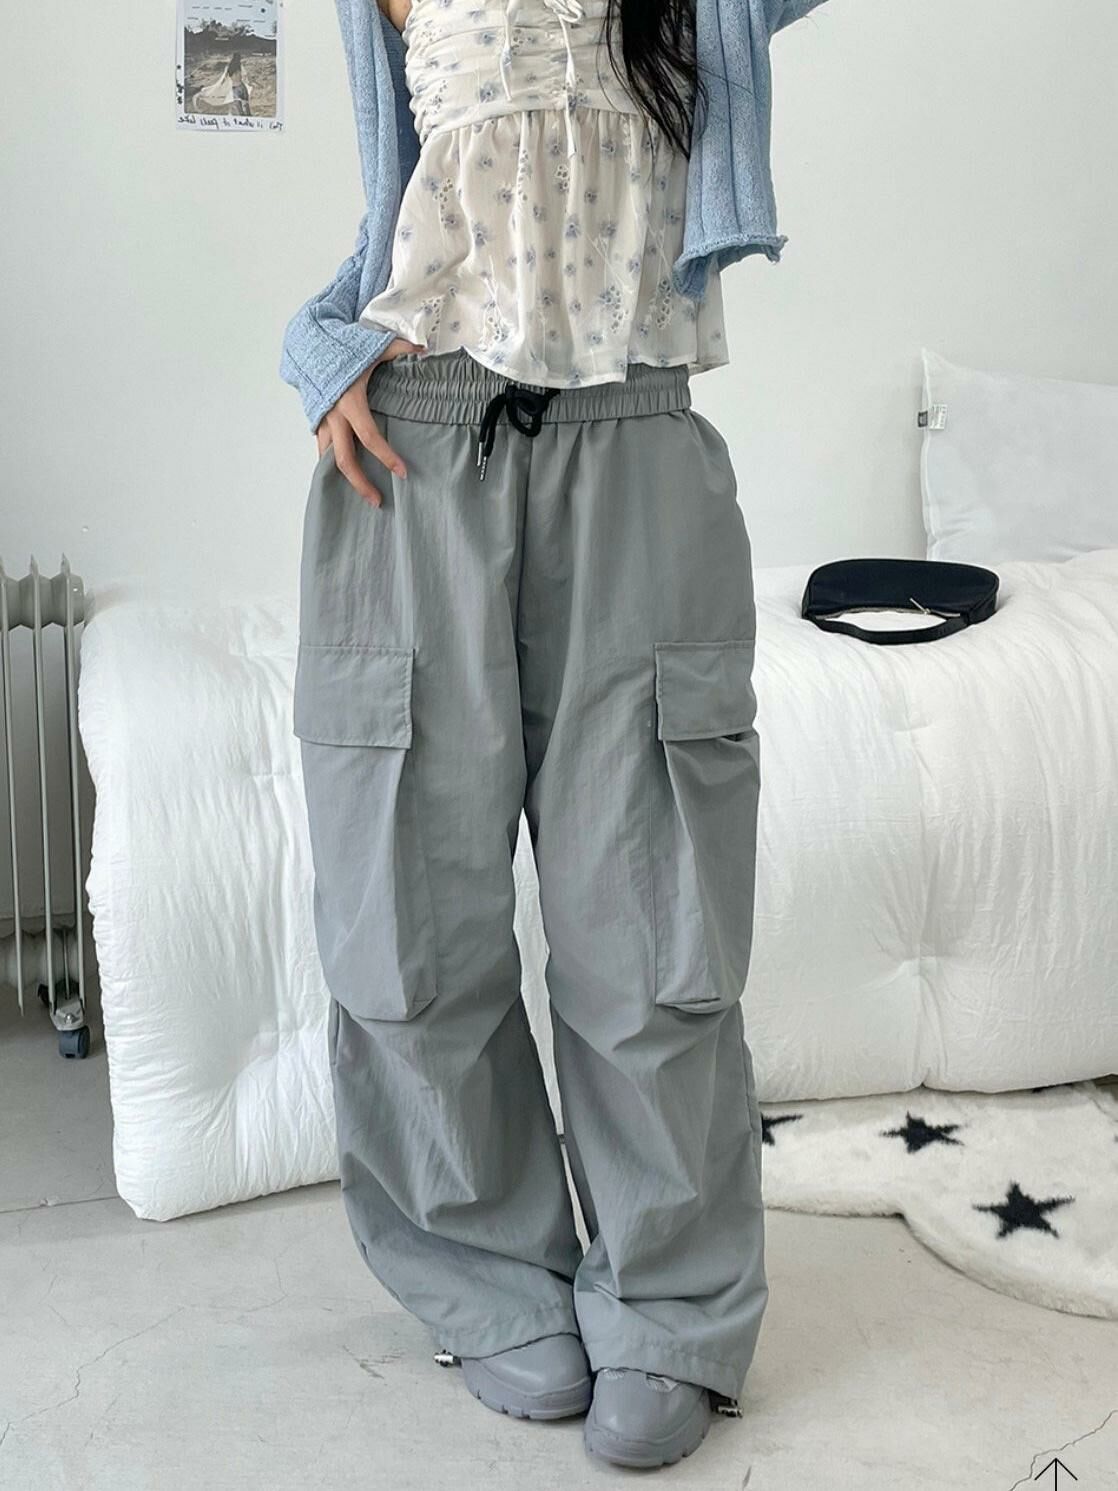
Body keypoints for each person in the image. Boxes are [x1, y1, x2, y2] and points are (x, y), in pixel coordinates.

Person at [285, 0, 826, 1470]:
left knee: (653, 925)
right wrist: (316, 346)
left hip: (634, 446)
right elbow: (400, 222)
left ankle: (671, 1304)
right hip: (414, 450)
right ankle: (487, 1273)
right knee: (404, 920)